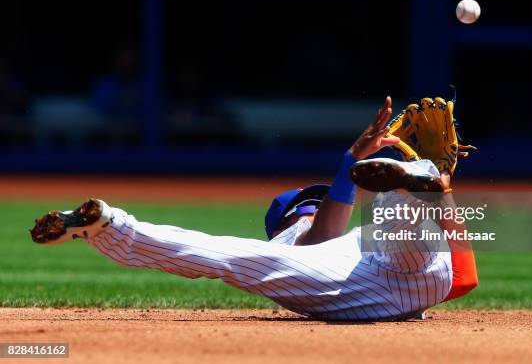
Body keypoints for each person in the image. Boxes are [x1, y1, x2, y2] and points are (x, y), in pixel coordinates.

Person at [29, 97, 478, 321]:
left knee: (225, 254)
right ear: (291, 217)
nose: (321, 206)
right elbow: (322, 236)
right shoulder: (298, 234)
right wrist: (350, 167)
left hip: (380, 278)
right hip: (381, 279)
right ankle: (422, 178)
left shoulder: (349, 233)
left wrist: (432, 191)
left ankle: (108, 225)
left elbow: (461, 280)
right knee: (394, 201)